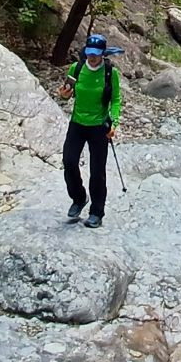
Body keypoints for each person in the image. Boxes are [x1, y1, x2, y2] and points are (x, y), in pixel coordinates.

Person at [59, 33, 122, 228]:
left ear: (103, 53)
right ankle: (79, 198)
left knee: (97, 172)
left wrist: (114, 122)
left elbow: (116, 100)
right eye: (89, 53)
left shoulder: (110, 73)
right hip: (77, 123)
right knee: (69, 162)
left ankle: (96, 212)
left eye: (96, 53)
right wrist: (63, 95)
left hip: (99, 126)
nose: (92, 57)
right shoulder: (76, 68)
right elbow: (66, 95)